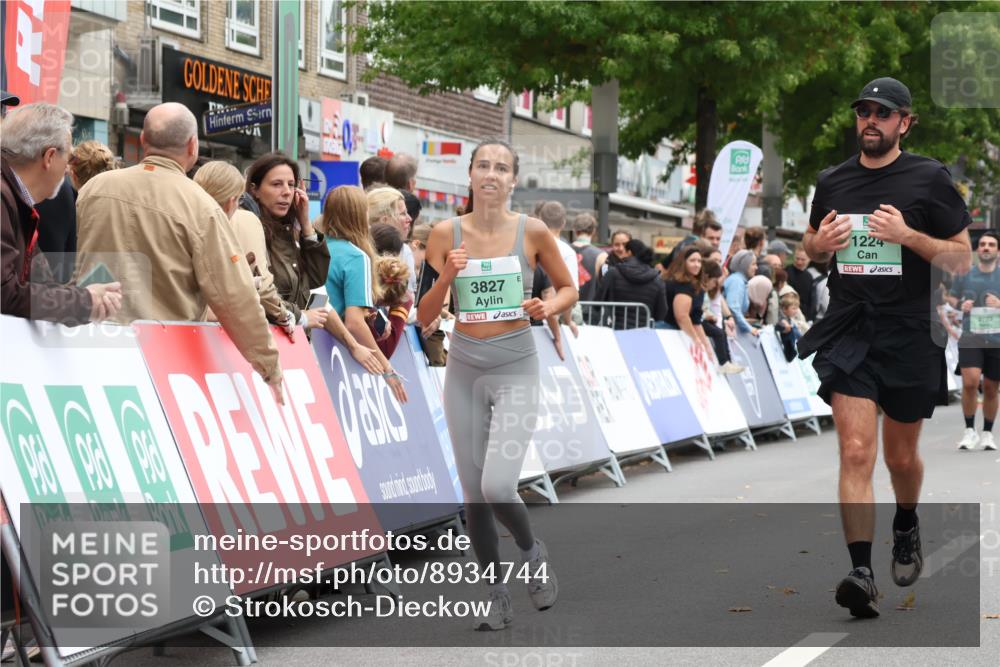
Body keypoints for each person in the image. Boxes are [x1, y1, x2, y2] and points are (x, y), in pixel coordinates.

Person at [796, 77, 972, 619]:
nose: (870, 120)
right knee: (854, 450)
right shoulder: (833, 181)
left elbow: (961, 258)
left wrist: (909, 236)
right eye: (863, 112)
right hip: (850, 327)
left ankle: (906, 519)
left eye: (882, 112)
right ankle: (861, 571)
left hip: (908, 332)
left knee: (899, 457)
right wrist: (816, 246)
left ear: (905, 122)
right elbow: (809, 244)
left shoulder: (929, 179)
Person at [416, 138, 575, 631]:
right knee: (472, 495)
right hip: (464, 368)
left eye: (501, 167)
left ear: (512, 179)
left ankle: (531, 552)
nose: (491, 174)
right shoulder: (445, 233)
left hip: (515, 367)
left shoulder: (534, 231)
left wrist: (546, 307)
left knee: (497, 484)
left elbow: (569, 288)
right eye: (482, 165)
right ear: (469, 176)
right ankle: (494, 592)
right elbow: (423, 317)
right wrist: (446, 277)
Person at [75, 102, 282, 396]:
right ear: (192, 146)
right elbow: (234, 296)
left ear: (144, 141)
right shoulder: (201, 206)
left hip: (94, 348)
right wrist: (269, 366)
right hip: (165, 359)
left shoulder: (93, 189)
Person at [2, 103, 121, 324]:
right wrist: (84, 301)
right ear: (49, 157)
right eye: (68, 156)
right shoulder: (6, 198)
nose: (68, 168)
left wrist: (87, 298)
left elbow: (41, 284)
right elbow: (5, 293)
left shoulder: (18, 202)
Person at [322, 185, 407, 403]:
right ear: (361, 215)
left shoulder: (316, 246)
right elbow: (354, 323)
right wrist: (386, 367)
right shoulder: (357, 257)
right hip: (334, 348)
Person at [245, 152, 332, 335]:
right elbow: (260, 293)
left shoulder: (287, 230)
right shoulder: (251, 229)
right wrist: (301, 316)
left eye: (291, 185)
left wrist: (306, 223)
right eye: (277, 184)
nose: (286, 192)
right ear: (255, 190)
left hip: (294, 344)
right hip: (268, 342)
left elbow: (316, 279)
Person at [948, 230, 1000, 451]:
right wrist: (961, 305)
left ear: (997, 251)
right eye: (983, 245)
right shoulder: (965, 275)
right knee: (970, 383)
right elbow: (951, 297)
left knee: (990, 387)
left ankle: (987, 433)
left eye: (991, 244)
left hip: (997, 338)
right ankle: (970, 431)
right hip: (971, 337)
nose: (986, 247)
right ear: (978, 251)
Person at [596, 238, 668, 329]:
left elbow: (597, 300)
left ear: (629, 252)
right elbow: (662, 312)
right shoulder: (657, 279)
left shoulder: (613, 273)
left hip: (617, 329)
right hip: (645, 331)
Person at [662, 245, 713, 354]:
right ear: (683, 262)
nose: (697, 265)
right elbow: (682, 316)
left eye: (699, 261)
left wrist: (706, 345)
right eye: (692, 261)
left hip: (674, 332)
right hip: (669, 332)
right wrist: (696, 339)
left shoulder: (692, 283)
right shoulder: (683, 284)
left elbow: (695, 320)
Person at [368, 187, 416, 292]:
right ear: (385, 220)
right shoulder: (404, 251)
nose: (409, 219)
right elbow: (409, 298)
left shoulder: (405, 250)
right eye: (403, 214)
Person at [699, 259, 742, 371]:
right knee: (719, 333)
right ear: (707, 278)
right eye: (714, 281)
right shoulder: (699, 290)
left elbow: (704, 308)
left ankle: (727, 361)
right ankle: (723, 363)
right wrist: (706, 315)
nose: (714, 285)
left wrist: (708, 315)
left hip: (703, 318)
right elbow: (697, 309)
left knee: (721, 332)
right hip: (698, 320)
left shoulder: (706, 291)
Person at [723, 249, 760, 337]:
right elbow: (733, 309)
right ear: (745, 266)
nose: (756, 267)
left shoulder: (740, 281)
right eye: (753, 264)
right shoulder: (737, 282)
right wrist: (750, 328)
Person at [786, 246, 816, 320]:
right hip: (790, 314)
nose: (799, 262)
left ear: (809, 259)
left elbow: (811, 301)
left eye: (803, 260)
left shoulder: (809, 277)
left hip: (805, 317)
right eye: (797, 258)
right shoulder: (787, 272)